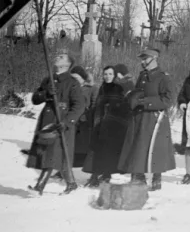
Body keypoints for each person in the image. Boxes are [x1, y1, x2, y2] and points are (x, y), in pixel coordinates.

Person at [117, 48, 177, 190]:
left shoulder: (164, 77)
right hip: (140, 117)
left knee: (155, 147)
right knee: (139, 146)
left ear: (154, 58)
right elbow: (139, 92)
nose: (143, 62)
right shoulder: (142, 76)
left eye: (145, 59)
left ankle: (156, 178)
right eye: (142, 59)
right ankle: (139, 177)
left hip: (155, 117)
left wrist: (145, 102)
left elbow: (168, 99)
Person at [26, 51, 85, 195]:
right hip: (46, 122)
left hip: (61, 124)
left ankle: (39, 187)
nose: (57, 57)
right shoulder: (48, 80)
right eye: (58, 55)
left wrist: (67, 122)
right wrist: (45, 94)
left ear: (68, 64)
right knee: (56, 156)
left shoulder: (72, 83)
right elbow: (35, 99)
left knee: (52, 155)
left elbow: (79, 106)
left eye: (62, 57)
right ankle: (71, 184)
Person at [83, 65, 132, 187]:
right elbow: (98, 104)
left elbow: (126, 103)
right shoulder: (102, 87)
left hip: (115, 125)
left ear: (114, 75)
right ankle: (97, 175)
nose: (107, 76)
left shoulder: (119, 87)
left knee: (109, 152)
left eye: (110, 74)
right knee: (97, 150)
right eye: (105, 74)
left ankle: (105, 176)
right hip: (101, 123)